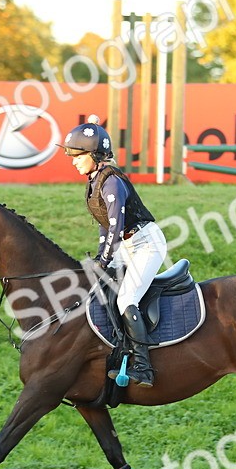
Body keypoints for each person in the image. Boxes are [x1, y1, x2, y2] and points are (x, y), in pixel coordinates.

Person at [60, 120, 167, 387]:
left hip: (146, 245)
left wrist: (104, 260)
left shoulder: (111, 184)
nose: (73, 161)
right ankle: (119, 349)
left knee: (126, 298)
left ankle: (143, 367)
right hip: (127, 245)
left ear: (95, 155)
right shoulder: (95, 181)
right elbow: (104, 226)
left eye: (78, 156)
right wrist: (100, 260)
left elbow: (115, 230)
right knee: (100, 288)